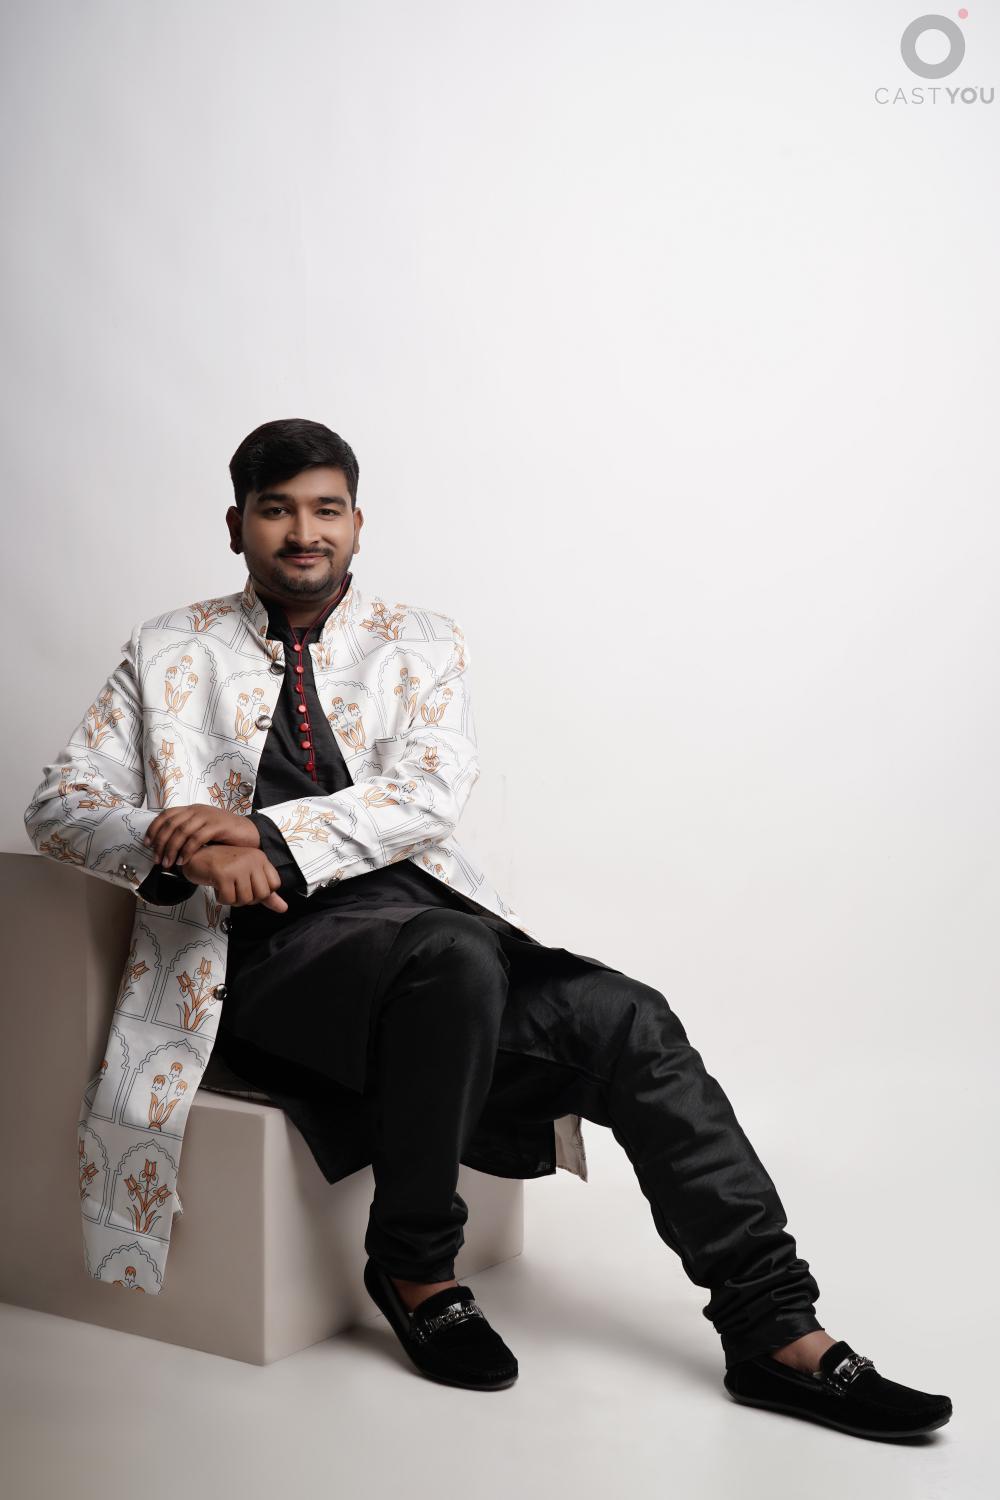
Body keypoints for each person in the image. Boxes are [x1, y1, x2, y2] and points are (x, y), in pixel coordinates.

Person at [30, 419, 952, 1437]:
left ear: (358, 522)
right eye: (277, 509)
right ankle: (416, 1268)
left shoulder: (422, 641)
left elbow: (429, 793)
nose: (303, 532)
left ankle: (775, 1329)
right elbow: (59, 804)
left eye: (326, 509)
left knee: (628, 1018)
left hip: (433, 954)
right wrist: (186, 851)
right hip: (257, 964)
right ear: (235, 524)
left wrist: (261, 831)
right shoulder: (168, 647)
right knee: (453, 955)